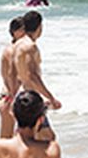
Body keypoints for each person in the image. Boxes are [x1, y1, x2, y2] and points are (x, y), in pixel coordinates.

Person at [14, 12, 61, 142]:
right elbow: (32, 76)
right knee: (48, 138)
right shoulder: (30, 46)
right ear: (39, 27)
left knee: (29, 138)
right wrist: (51, 97)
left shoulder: (18, 44)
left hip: (22, 97)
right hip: (31, 100)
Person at [0, 16, 26, 138]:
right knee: (6, 143)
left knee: (9, 143)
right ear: (14, 32)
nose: (26, 33)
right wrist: (13, 97)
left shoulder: (11, 49)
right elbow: (10, 76)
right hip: (10, 99)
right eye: (23, 30)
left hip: (7, 98)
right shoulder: (14, 50)